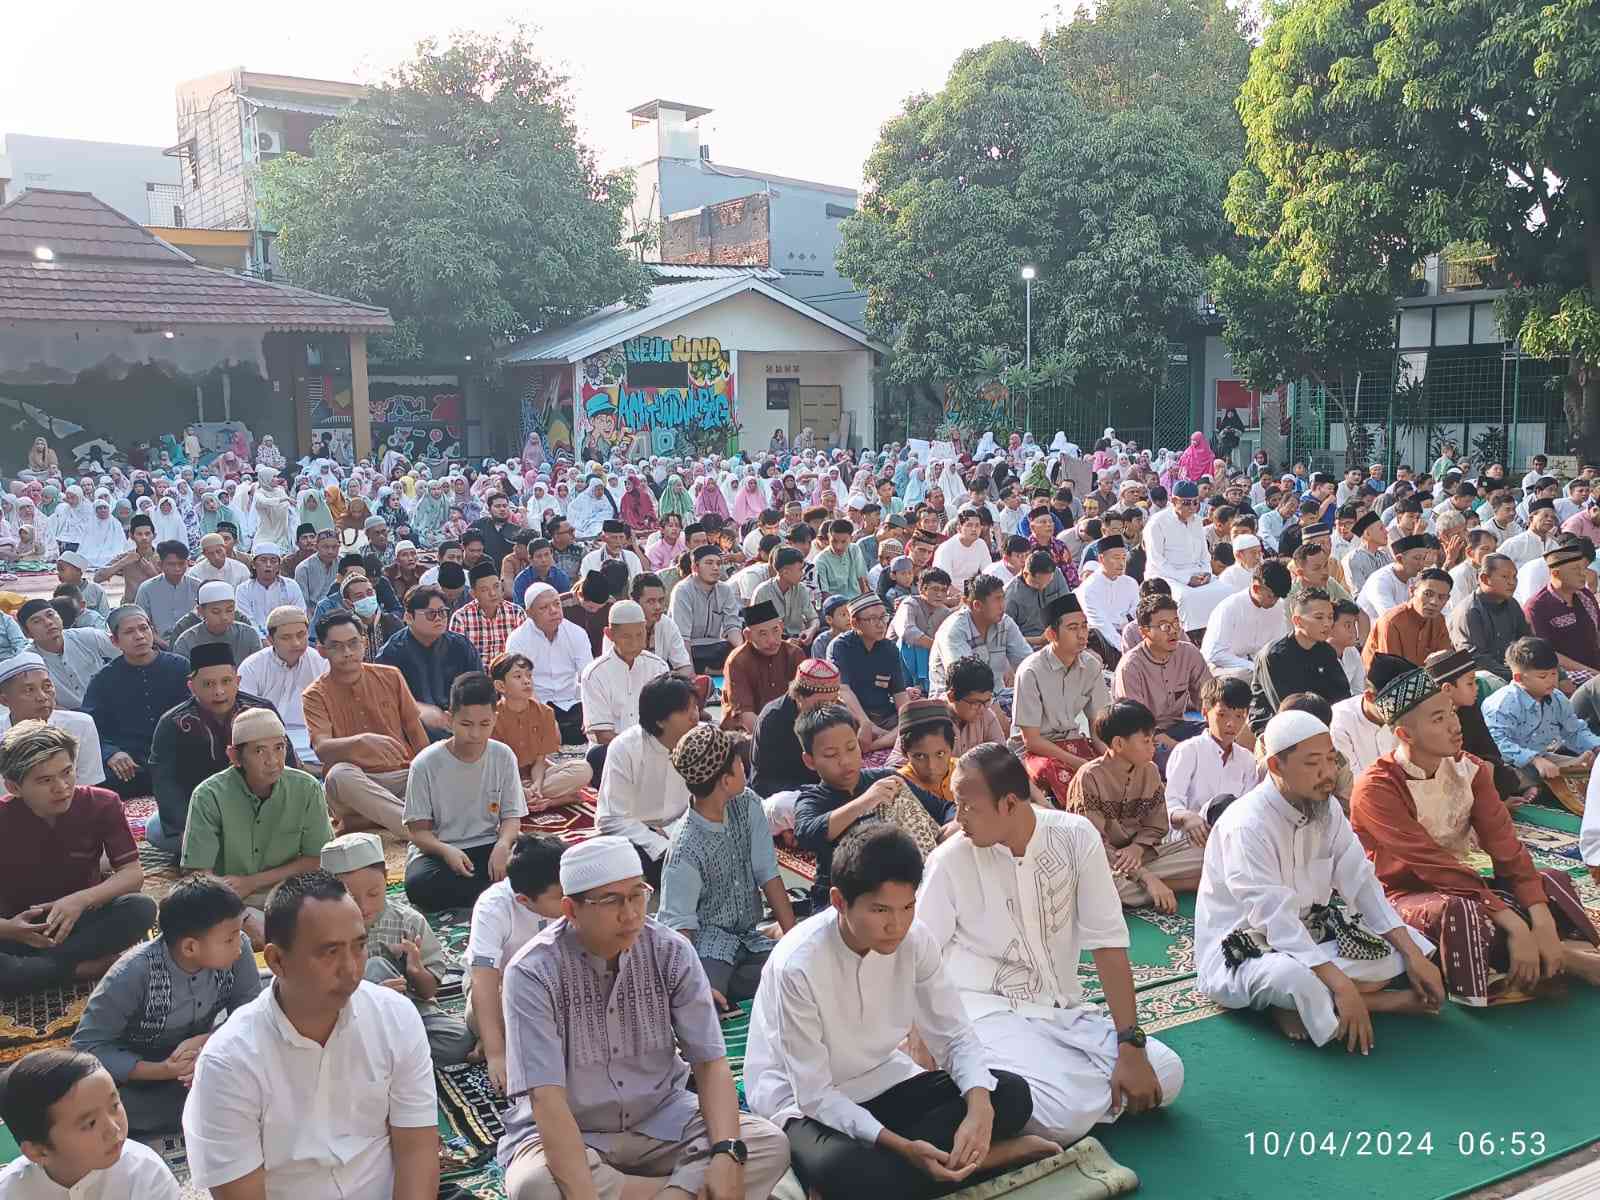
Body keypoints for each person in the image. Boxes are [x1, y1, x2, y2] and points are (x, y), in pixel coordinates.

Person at [745, 823, 1055, 1200]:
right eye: (880, 910)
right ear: (840, 901)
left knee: (1010, 1094)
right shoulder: (797, 965)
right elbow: (814, 1093)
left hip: (884, 1078)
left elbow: (954, 1034)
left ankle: (919, 1172)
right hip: (803, 1102)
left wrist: (978, 1107)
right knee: (846, 1171)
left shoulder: (915, 939)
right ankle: (984, 1159)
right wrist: (902, 1146)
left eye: (907, 907)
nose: (896, 925)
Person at [495, 834, 790, 1200]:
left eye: (638, 895)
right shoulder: (532, 973)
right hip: (576, 1130)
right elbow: (547, 1100)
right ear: (571, 910)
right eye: (612, 901)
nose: (632, 913)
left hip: (664, 1118)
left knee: (766, 1145)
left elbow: (711, 1064)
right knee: (535, 1187)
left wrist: (727, 1153)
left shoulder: (670, 950)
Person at [918, 744, 1185, 1145]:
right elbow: (918, 956)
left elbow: (1108, 945)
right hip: (985, 1010)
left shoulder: (1075, 838)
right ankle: (1024, 1090)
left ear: (1009, 803)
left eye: (968, 807)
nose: (959, 820)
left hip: (1061, 1009)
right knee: (1059, 1115)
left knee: (1166, 1072)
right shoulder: (950, 860)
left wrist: (1129, 1043)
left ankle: (1019, 1095)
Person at [1194, 709, 1445, 1049]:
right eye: (1313, 764)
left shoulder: (1326, 809)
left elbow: (1362, 883)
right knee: (1294, 978)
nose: (1328, 774)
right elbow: (1273, 920)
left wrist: (1413, 956)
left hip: (1313, 933)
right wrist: (1341, 984)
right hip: (1246, 946)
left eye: (1330, 759)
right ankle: (1375, 1001)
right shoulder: (1247, 825)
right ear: (1276, 766)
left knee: (1403, 947)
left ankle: (1300, 1006)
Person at [182, 871, 440, 1198]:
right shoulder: (229, 1061)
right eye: (330, 952)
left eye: (359, 946)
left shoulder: (396, 1018)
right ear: (277, 960)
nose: (351, 968)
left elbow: (416, 1150)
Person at [1352, 666, 1600, 1005]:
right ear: (1405, 735)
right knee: (1462, 911)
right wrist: (1513, 921)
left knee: (1548, 880)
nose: (1455, 725)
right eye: (1438, 719)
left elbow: (1505, 846)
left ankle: (1548, 949)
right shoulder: (1376, 787)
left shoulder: (1470, 768)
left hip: (1464, 883)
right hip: (1402, 896)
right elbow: (1432, 866)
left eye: (1451, 712)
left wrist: (1538, 915)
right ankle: (1565, 959)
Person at [70, 877, 260, 1133]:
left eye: (239, 933)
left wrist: (208, 1041)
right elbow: (88, 1046)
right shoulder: (133, 973)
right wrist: (162, 1070)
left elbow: (249, 1013)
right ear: (190, 947)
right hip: (144, 1067)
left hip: (203, 1054)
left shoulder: (240, 949)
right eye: (229, 939)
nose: (240, 944)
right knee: (108, 1108)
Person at [0, 722, 155, 996]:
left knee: (140, 908)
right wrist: (10, 929)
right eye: (45, 780)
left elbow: (132, 874)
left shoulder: (103, 803)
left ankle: (35, 971)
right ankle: (79, 969)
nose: (62, 787)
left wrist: (81, 900)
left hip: (80, 920)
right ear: (14, 786)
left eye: (67, 772)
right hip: (16, 929)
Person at [660, 724, 796, 1012]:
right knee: (704, 1002)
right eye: (737, 761)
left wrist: (796, 942)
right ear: (724, 779)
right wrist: (696, 984)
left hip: (748, 935)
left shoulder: (747, 804)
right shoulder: (686, 847)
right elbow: (680, 926)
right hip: (707, 942)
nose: (742, 765)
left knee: (796, 971)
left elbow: (768, 874)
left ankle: (763, 950)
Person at [319, 832, 476, 1065]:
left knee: (458, 1042)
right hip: (343, 1016)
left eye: (373, 893)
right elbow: (313, 993)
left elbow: (427, 992)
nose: (363, 906)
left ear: (385, 878)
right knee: (376, 967)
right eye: (350, 897)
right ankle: (387, 1050)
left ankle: (380, 1052)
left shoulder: (408, 922)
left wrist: (416, 971)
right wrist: (370, 994)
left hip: (406, 1013)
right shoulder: (318, 929)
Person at [179, 704, 329, 935]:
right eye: (260, 751)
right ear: (235, 757)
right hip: (231, 899)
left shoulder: (306, 788)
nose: (273, 760)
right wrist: (241, 913)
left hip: (290, 890)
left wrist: (252, 882)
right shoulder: (209, 795)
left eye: (279, 748)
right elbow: (198, 875)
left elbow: (316, 859)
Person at [792, 705, 953, 911]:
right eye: (831, 755)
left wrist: (951, 826)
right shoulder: (813, 798)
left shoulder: (884, 778)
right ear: (810, 761)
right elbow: (809, 833)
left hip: (899, 890)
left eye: (851, 748)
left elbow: (943, 808)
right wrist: (866, 801)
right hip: (843, 902)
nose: (845, 761)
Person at [145, 642, 294, 855]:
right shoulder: (172, 723)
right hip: (204, 813)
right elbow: (165, 781)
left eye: (226, 681)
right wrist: (187, 829)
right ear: (191, 686)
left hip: (259, 808)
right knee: (155, 829)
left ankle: (233, 850)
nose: (219, 691)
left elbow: (286, 764)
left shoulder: (261, 711)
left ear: (238, 681)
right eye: (208, 684)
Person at [402, 672, 527, 913]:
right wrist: (446, 851)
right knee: (420, 885)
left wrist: (503, 844)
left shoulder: (503, 756)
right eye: (466, 725)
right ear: (450, 720)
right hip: (441, 851)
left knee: (546, 861)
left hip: (489, 845)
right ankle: (500, 892)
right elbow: (418, 832)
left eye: (485, 724)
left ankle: (495, 889)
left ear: (495, 718)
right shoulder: (425, 763)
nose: (476, 734)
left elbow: (512, 818)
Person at [1063, 700, 1202, 912]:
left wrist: (1137, 848)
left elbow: (1157, 826)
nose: (1153, 747)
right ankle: (1164, 884)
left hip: (1142, 855)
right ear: (1118, 744)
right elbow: (1092, 843)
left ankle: (1157, 885)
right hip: (1103, 861)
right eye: (1146, 741)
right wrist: (1145, 877)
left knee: (1205, 853)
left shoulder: (1151, 771)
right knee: (1101, 887)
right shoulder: (1089, 778)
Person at [304, 609, 432, 836]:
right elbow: (322, 749)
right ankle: (417, 829)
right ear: (321, 651)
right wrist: (361, 742)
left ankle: (379, 820)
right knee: (338, 776)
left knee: (443, 771)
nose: (347, 652)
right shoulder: (315, 694)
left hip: (402, 776)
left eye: (353, 643)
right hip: (357, 783)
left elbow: (414, 729)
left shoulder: (390, 676)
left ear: (364, 643)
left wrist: (431, 770)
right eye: (336, 646)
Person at [0, 1049, 180, 1199]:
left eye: (115, 1106)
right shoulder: (9, 1191)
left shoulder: (146, 1174)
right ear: (39, 1151)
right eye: (90, 1123)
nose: (114, 1129)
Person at [465, 833, 566, 1093]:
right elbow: (483, 982)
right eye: (560, 896)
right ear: (524, 900)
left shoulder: (578, 893)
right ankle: (498, 1041)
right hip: (507, 989)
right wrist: (497, 1055)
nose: (570, 901)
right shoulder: (494, 906)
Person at [595, 675, 699, 884]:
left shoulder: (702, 740)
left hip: (685, 829)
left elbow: (709, 801)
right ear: (660, 720)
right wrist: (661, 846)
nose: (694, 716)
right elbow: (612, 818)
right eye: (684, 711)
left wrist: (675, 834)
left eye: (695, 707)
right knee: (623, 866)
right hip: (638, 835)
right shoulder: (625, 748)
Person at [81, 606, 191, 802]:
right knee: (94, 785)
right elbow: (90, 727)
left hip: (178, 756)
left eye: (143, 628)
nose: (139, 636)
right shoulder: (104, 679)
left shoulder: (180, 667)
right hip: (132, 763)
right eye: (129, 632)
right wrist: (112, 754)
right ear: (114, 641)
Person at [1011, 594, 1111, 806]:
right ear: (1050, 634)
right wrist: (1080, 763)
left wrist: (1109, 757)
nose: (1082, 634)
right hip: (1036, 750)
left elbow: (1099, 726)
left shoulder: (1091, 666)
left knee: (1114, 770)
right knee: (1062, 774)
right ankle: (1083, 830)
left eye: (1084, 626)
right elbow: (1031, 740)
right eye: (1073, 628)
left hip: (1074, 741)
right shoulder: (1031, 671)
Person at [1483, 637, 1600, 799]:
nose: (1552, 680)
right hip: (1508, 764)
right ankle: (1530, 786)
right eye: (1543, 676)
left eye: (1554, 673)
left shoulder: (1557, 698)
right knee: (1512, 776)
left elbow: (1575, 731)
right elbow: (1503, 744)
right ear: (1519, 678)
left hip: (1544, 757)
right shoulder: (1502, 704)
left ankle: (1564, 770)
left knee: (1589, 771)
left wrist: (1596, 747)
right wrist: (1535, 760)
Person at [1112, 593, 1211, 764]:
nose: (1173, 631)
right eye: (1165, 626)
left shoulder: (1189, 653)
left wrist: (1218, 726)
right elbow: (1134, 724)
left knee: (1228, 734)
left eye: (1175, 623)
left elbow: (1209, 699)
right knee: (1166, 755)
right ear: (1144, 632)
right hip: (1146, 738)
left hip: (1180, 727)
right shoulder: (1131, 667)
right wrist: (1178, 747)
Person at [1163, 677, 1260, 850]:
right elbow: (1171, 805)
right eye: (1222, 715)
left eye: (1239, 716)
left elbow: (1248, 808)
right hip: (1191, 840)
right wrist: (1187, 818)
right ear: (1205, 712)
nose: (1231, 723)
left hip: (1233, 840)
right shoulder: (1188, 751)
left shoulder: (1247, 760)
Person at [487, 652, 592, 811]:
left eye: (529, 675)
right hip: (503, 779)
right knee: (488, 792)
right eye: (518, 676)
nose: (527, 681)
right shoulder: (491, 718)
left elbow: (540, 761)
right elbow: (494, 767)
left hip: (539, 777)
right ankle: (554, 799)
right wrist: (519, 788)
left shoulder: (545, 713)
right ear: (500, 686)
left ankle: (531, 800)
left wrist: (535, 785)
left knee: (584, 770)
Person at [1425, 648, 1531, 803]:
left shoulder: (1469, 708)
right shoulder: (1431, 718)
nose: (1477, 687)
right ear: (1447, 688)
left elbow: (1488, 750)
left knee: (1504, 775)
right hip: (1450, 777)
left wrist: (1486, 768)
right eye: (1470, 683)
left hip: (1474, 771)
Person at [377, 583, 484, 735]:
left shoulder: (461, 646)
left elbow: (479, 688)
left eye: (442, 612)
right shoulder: (391, 653)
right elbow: (384, 700)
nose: (439, 619)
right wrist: (417, 709)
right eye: (431, 614)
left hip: (459, 726)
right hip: (412, 730)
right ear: (408, 617)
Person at [1247, 588, 1352, 734]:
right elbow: (1285, 709)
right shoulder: (1274, 655)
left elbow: (1342, 696)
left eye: (1330, 617)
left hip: (1323, 724)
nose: (1327, 623)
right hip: (1278, 729)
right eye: (1319, 617)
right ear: (1298, 621)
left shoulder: (1326, 651)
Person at [238, 605, 330, 767]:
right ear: (270, 640)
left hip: (313, 740)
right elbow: (246, 718)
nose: (296, 643)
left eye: (301, 635)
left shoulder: (319, 661)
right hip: (267, 741)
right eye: (286, 637)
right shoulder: (252, 667)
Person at [505, 582, 594, 744]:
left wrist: (591, 714)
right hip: (536, 704)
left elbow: (588, 677)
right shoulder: (518, 639)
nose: (553, 611)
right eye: (544, 608)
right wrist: (544, 717)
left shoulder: (577, 634)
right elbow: (519, 684)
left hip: (572, 703)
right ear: (529, 613)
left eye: (556, 604)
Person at [0, 652, 104, 785]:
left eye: (47, 686)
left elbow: (89, 786)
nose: (42, 697)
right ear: (4, 700)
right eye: (29, 690)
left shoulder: (81, 725)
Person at [1145, 480, 1234, 635]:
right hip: (1166, 576)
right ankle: (1189, 638)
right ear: (1174, 501)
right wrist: (1186, 579)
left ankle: (1219, 634)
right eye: (1187, 503)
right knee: (1186, 598)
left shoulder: (1197, 521)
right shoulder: (1157, 523)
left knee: (1226, 591)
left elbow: (1204, 555)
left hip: (1197, 573)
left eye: (1195, 503)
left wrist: (1206, 573)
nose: (1192, 508)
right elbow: (1157, 561)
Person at [929, 574, 1031, 704]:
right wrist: (995, 712)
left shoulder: (1005, 623)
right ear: (977, 605)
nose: (1002, 606)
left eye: (1003, 598)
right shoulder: (954, 630)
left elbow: (1028, 663)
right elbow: (966, 682)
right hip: (958, 702)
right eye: (997, 600)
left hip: (997, 695)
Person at [750, 658, 841, 799]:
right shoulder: (772, 720)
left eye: (833, 701)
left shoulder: (834, 713)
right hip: (787, 799)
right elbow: (761, 784)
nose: (828, 708)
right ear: (799, 695)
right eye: (821, 703)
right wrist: (813, 792)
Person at [826, 593, 910, 737]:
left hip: (885, 716)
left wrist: (909, 719)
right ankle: (889, 740)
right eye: (872, 619)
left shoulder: (889, 649)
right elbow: (843, 691)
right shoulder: (841, 646)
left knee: (919, 724)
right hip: (854, 718)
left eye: (884, 616)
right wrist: (867, 724)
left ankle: (878, 744)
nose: (881, 624)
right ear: (855, 623)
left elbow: (900, 694)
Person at [723, 599, 808, 735]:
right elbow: (746, 716)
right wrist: (772, 739)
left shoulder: (794, 654)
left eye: (775, 631)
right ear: (748, 635)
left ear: (781, 626)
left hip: (791, 727)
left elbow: (807, 701)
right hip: (749, 731)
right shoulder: (737, 661)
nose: (772, 640)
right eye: (763, 634)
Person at [16, 598, 116, 712]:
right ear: (27, 633)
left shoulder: (88, 636)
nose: (48, 622)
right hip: (67, 718)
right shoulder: (29, 662)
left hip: (110, 705)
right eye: (36, 621)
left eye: (50, 615)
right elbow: (39, 702)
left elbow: (126, 651)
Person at [1200, 561, 1291, 679]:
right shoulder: (1229, 608)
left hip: (1258, 664)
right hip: (1221, 668)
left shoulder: (1277, 607)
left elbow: (1279, 645)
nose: (1274, 602)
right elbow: (1215, 655)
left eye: (1277, 598)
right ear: (1256, 588)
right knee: (1247, 676)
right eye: (1270, 596)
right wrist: (1254, 666)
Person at [1447, 552, 1528, 682]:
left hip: (1515, 675)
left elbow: (1526, 641)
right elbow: (1476, 659)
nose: (1512, 582)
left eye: (1514, 577)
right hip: (1483, 681)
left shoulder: (1512, 604)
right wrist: (1518, 677)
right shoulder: (1470, 611)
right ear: (1485, 579)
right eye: (1505, 577)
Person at [1329, 653, 1409, 780]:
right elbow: (1349, 781)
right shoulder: (1340, 720)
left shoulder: (1407, 717)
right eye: (1394, 705)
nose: (1401, 712)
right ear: (1370, 697)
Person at [1524, 540, 1600, 673]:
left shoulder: (1585, 595)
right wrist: (1590, 672)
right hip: (1566, 675)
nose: (1583, 574)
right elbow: (1546, 653)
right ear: (1555, 574)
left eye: (1584, 568)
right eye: (1576, 569)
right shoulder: (1536, 606)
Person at [670, 544, 744, 672]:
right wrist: (690, 675)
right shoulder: (682, 590)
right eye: (709, 563)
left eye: (718, 564)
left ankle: (715, 672)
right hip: (689, 649)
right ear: (695, 567)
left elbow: (732, 627)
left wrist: (743, 652)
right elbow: (683, 639)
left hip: (713, 648)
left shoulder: (725, 590)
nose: (715, 568)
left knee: (738, 646)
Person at [1363, 567, 1453, 668]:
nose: (1434, 602)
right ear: (1412, 590)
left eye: (1441, 597)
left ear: (1447, 599)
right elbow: (1391, 672)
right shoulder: (1391, 622)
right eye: (1428, 594)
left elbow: (1445, 661)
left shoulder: (1438, 620)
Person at [449, 559, 527, 665]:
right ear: (473, 594)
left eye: (496, 586)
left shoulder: (517, 613)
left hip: (508, 676)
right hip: (476, 677)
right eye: (485, 590)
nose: (493, 593)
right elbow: (457, 659)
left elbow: (523, 654)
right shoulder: (461, 618)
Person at [892, 568, 956, 692]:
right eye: (935, 589)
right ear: (922, 589)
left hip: (931, 662)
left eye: (943, 590)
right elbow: (907, 631)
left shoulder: (945, 612)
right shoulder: (909, 604)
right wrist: (936, 647)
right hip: (898, 660)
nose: (939, 594)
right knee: (913, 641)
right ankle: (918, 685)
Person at [171, 579, 264, 663]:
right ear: (200, 611)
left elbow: (258, 672)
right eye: (216, 612)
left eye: (229, 610)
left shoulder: (248, 635)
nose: (224, 617)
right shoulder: (186, 642)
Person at [133, 540, 202, 643]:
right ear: (160, 565)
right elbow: (141, 623)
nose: (177, 568)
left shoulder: (198, 586)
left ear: (187, 563)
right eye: (171, 564)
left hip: (194, 641)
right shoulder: (146, 589)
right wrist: (162, 644)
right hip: (158, 643)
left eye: (181, 563)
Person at [1356, 532, 1432, 623]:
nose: (1421, 564)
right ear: (1400, 559)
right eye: (1417, 558)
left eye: (1423, 558)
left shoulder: (1414, 576)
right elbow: (1393, 619)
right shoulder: (1380, 581)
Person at [752, 545, 820, 644]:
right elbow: (757, 631)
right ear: (785, 573)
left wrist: (810, 631)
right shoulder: (762, 593)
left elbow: (814, 619)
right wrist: (783, 643)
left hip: (798, 640)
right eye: (800, 570)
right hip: (771, 643)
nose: (803, 573)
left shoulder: (801, 589)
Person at [233, 542, 306, 635]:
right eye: (263, 560)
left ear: (279, 565)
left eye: (273, 561)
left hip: (287, 636)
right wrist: (262, 639)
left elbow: (299, 615)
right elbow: (246, 621)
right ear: (254, 564)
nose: (268, 565)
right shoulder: (243, 589)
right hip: (254, 639)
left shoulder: (291, 586)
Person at [1004, 549, 1070, 649]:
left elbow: (1067, 607)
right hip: (1029, 646)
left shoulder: (1056, 574)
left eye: (1048, 582)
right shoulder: (1011, 595)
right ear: (1026, 574)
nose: (1043, 587)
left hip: (1058, 636)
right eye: (1037, 584)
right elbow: (1005, 637)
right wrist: (1039, 640)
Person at [94, 512, 161, 596]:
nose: (144, 538)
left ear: (154, 535)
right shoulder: (126, 557)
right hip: (131, 605)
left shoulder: (163, 557)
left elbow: (172, 587)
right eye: (139, 534)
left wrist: (153, 574)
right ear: (132, 536)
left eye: (147, 534)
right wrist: (123, 562)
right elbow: (97, 578)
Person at [931, 508, 992, 593]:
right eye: (969, 525)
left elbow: (988, 573)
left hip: (972, 593)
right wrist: (963, 598)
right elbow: (943, 583)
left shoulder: (981, 544)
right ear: (959, 528)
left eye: (977, 525)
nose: (974, 529)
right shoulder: (946, 548)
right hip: (948, 594)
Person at [294, 527, 342, 611]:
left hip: (340, 610)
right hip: (314, 612)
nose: (330, 551)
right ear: (316, 547)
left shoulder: (342, 563)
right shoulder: (304, 569)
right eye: (325, 547)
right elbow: (303, 603)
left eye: (334, 547)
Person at [186, 532, 252, 589]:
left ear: (225, 549)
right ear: (204, 554)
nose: (216, 557)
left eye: (219, 551)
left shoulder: (241, 569)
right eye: (211, 553)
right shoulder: (195, 573)